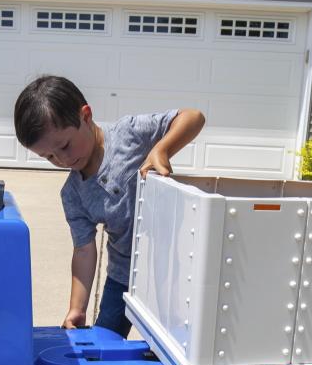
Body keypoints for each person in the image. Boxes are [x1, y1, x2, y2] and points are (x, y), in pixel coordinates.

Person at [12, 74, 205, 337]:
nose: (62, 159)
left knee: (172, 345)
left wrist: (162, 149)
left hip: (170, 272)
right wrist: (76, 308)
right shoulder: (73, 193)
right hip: (122, 275)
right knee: (104, 343)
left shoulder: (130, 134)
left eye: (65, 146)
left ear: (86, 115)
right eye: (49, 157)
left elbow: (193, 117)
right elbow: (84, 250)